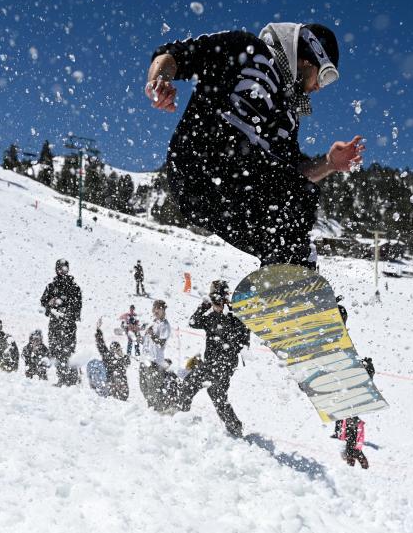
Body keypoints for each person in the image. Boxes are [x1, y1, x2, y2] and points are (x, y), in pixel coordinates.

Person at [147, 22, 363, 266]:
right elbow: (172, 54)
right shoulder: (247, 49)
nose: (319, 87)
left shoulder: (289, 114)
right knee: (292, 194)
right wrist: (160, 81)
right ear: (305, 58)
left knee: (297, 212)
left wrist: (329, 163)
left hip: (231, 195)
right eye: (324, 75)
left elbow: (294, 171)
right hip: (201, 165)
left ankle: (287, 282)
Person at [176, 280, 250, 437]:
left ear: (225, 300)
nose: (216, 305)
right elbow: (192, 322)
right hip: (215, 364)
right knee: (216, 395)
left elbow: (244, 339)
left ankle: (179, 420)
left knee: (189, 385)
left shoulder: (234, 318)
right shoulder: (210, 317)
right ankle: (235, 427)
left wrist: (233, 311)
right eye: (213, 302)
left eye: (218, 301)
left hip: (222, 365)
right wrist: (203, 306)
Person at [40, 259, 82, 386]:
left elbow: (78, 305)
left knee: (68, 351)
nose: (62, 271)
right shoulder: (51, 286)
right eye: (60, 269)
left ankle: (72, 379)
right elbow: (43, 301)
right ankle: (62, 378)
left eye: (64, 269)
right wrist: (50, 303)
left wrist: (67, 310)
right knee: (56, 351)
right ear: (56, 269)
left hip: (68, 325)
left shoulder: (74, 287)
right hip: (55, 324)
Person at [139, 299, 173, 410]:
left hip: (155, 362)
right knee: (144, 387)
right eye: (155, 307)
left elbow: (161, 342)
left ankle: (157, 411)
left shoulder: (165, 325)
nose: (156, 310)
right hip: (145, 360)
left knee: (154, 389)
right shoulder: (152, 322)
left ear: (164, 310)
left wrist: (152, 334)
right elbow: (144, 340)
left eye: (159, 308)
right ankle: (152, 408)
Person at [95, 318, 130, 401]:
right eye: (117, 350)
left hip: (123, 391)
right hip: (112, 389)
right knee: (115, 375)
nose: (120, 351)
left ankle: (119, 392)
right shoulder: (108, 358)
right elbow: (101, 345)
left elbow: (128, 362)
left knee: (119, 375)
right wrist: (98, 330)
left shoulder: (123, 359)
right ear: (113, 351)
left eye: (120, 349)